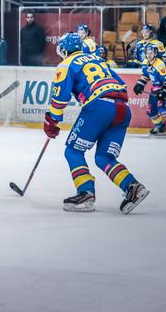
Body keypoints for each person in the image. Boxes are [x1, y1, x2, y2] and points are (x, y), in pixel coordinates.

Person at [45, 32, 149, 214]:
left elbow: (60, 97)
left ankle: (85, 192)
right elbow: (121, 84)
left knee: (73, 150)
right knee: (104, 158)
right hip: (122, 109)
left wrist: (52, 120)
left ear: (64, 50)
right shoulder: (98, 60)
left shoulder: (66, 64)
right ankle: (132, 187)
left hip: (99, 108)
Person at [134, 43, 166, 137]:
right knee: (151, 111)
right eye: (147, 53)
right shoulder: (145, 63)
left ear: (155, 53)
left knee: (162, 108)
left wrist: (163, 91)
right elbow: (145, 76)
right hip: (155, 89)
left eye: (151, 53)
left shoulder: (160, 64)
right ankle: (160, 127)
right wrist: (140, 84)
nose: (149, 55)